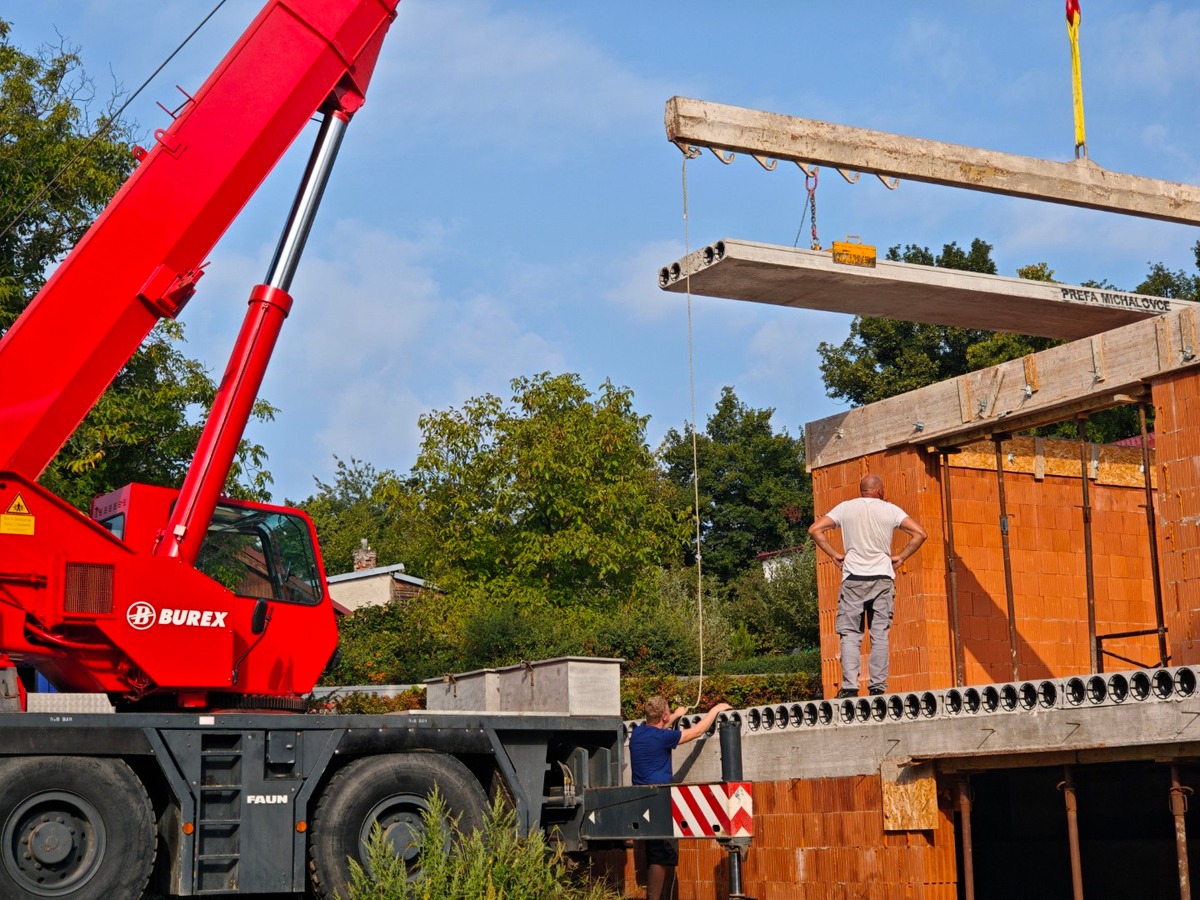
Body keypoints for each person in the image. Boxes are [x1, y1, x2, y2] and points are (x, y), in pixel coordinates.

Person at [808, 473, 927, 698]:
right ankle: (877, 688)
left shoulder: (845, 508)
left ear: (862, 490)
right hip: (882, 578)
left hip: (853, 579)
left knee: (851, 634)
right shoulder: (890, 510)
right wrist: (901, 557)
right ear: (880, 490)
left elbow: (815, 529)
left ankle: (850, 687)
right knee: (879, 634)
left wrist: (834, 555)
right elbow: (920, 534)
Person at [628, 695, 733, 900]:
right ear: (664, 717)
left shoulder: (638, 733)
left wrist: (675, 715)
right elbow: (697, 731)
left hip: (642, 800)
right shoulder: (663, 738)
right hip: (660, 801)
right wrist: (715, 709)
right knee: (659, 855)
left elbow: (658, 730)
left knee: (655, 852)